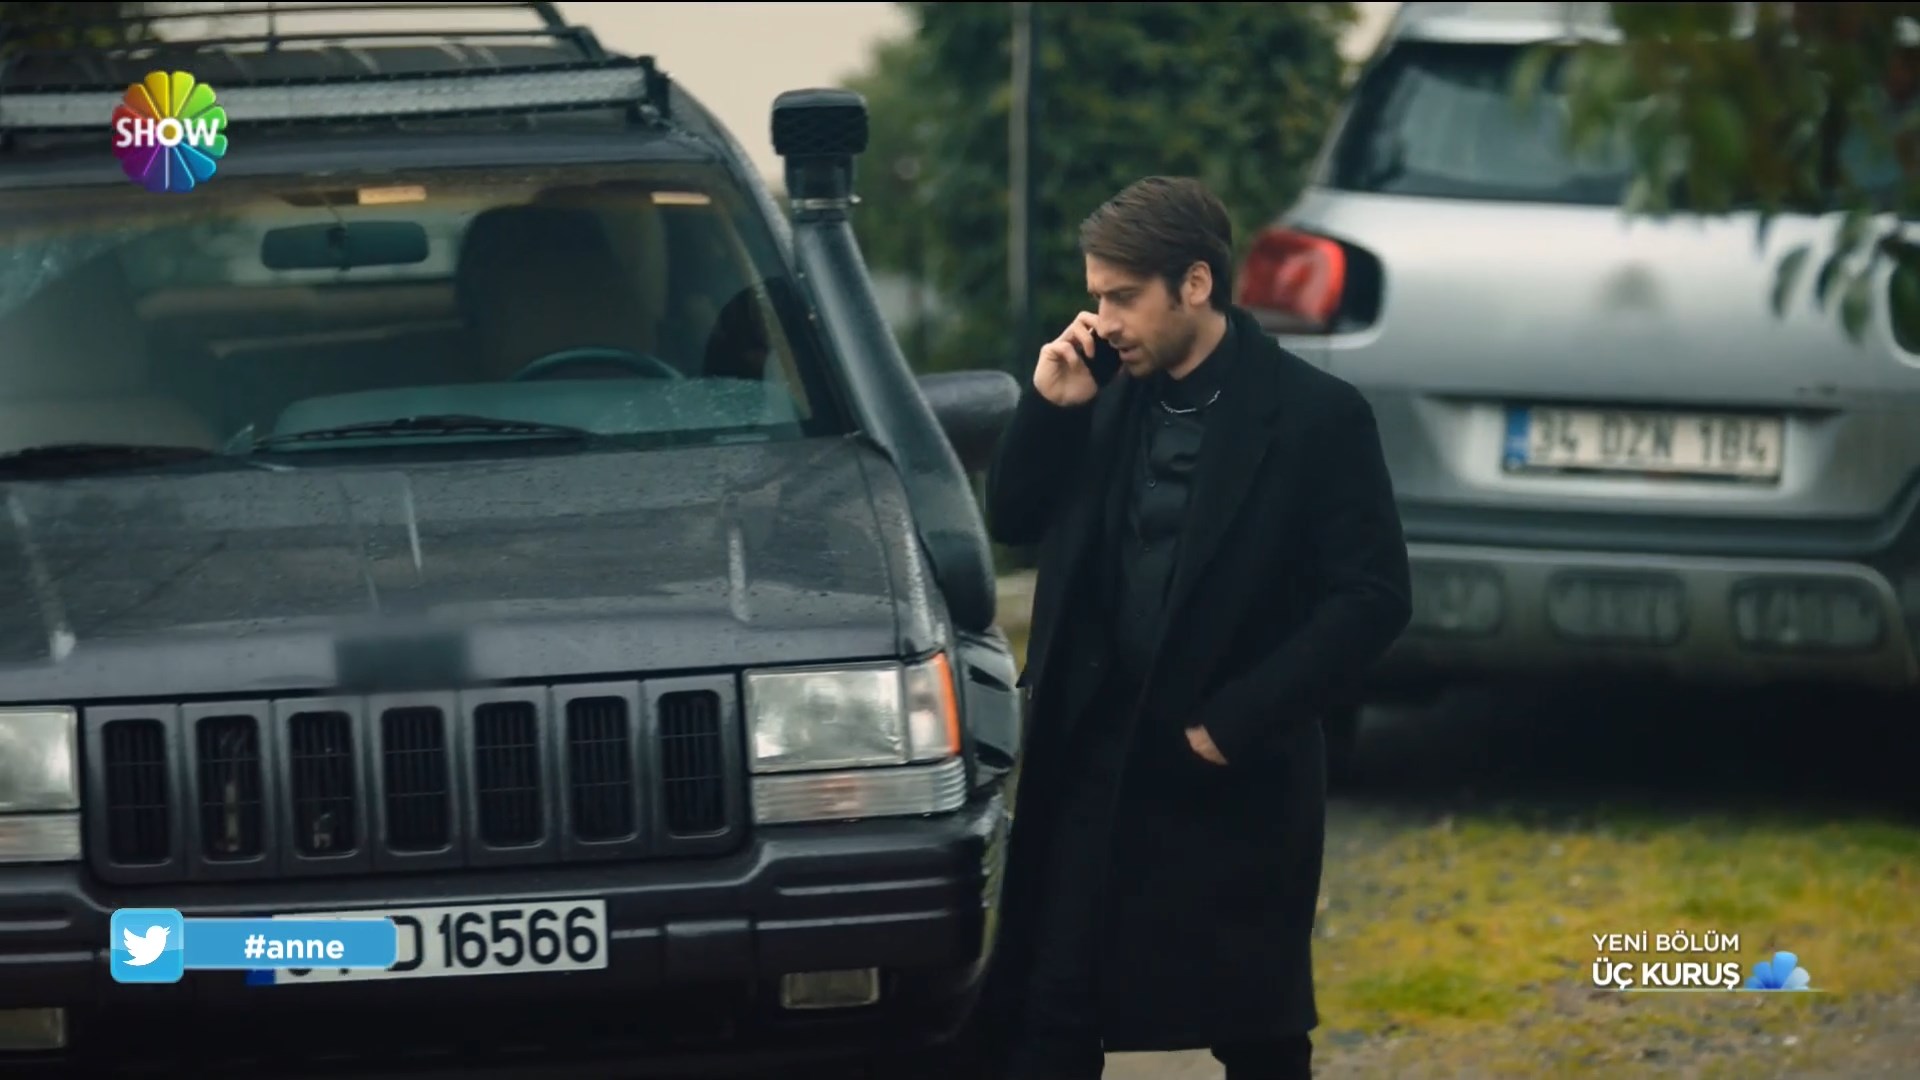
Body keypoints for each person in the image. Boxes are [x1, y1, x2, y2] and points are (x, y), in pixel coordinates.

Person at [980, 176, 1413, 1079]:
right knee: (1050, 1018)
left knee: (1257, 1032)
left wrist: (1237, 721)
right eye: (1097, 296)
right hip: (1092, 758)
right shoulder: (1096, 389)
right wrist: (1047, 407)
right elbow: (1014, 520)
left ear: (1196, 284)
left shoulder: (1316, 416)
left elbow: (1371, 597)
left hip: (1226, 772)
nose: (1103, 321)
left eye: (1123, 297)